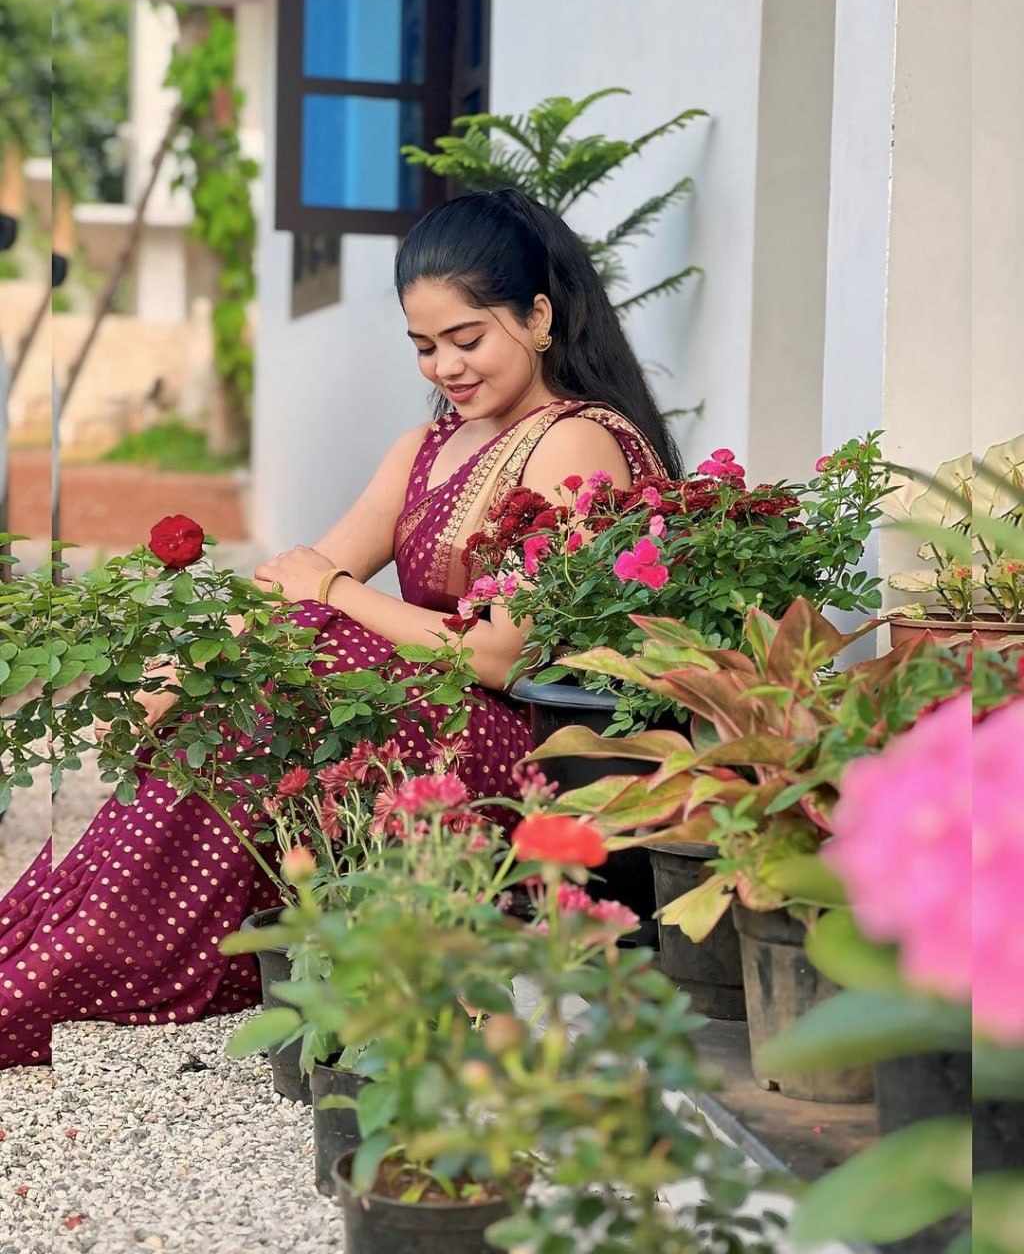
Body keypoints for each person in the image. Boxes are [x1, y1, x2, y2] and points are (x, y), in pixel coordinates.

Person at [0, 188, 677, 1068]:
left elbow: (503, 654)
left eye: (467, 338)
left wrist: (338, 594)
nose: (445, 367)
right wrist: (185, 670)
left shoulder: (576, 441)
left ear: (538, 317)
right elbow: (300, 579)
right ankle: (87, 926)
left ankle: (110, 945)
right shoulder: (428, 447)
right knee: (257, 666)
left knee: (322, 652)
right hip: (427, 720)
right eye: (425, 346)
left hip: (526, 743)